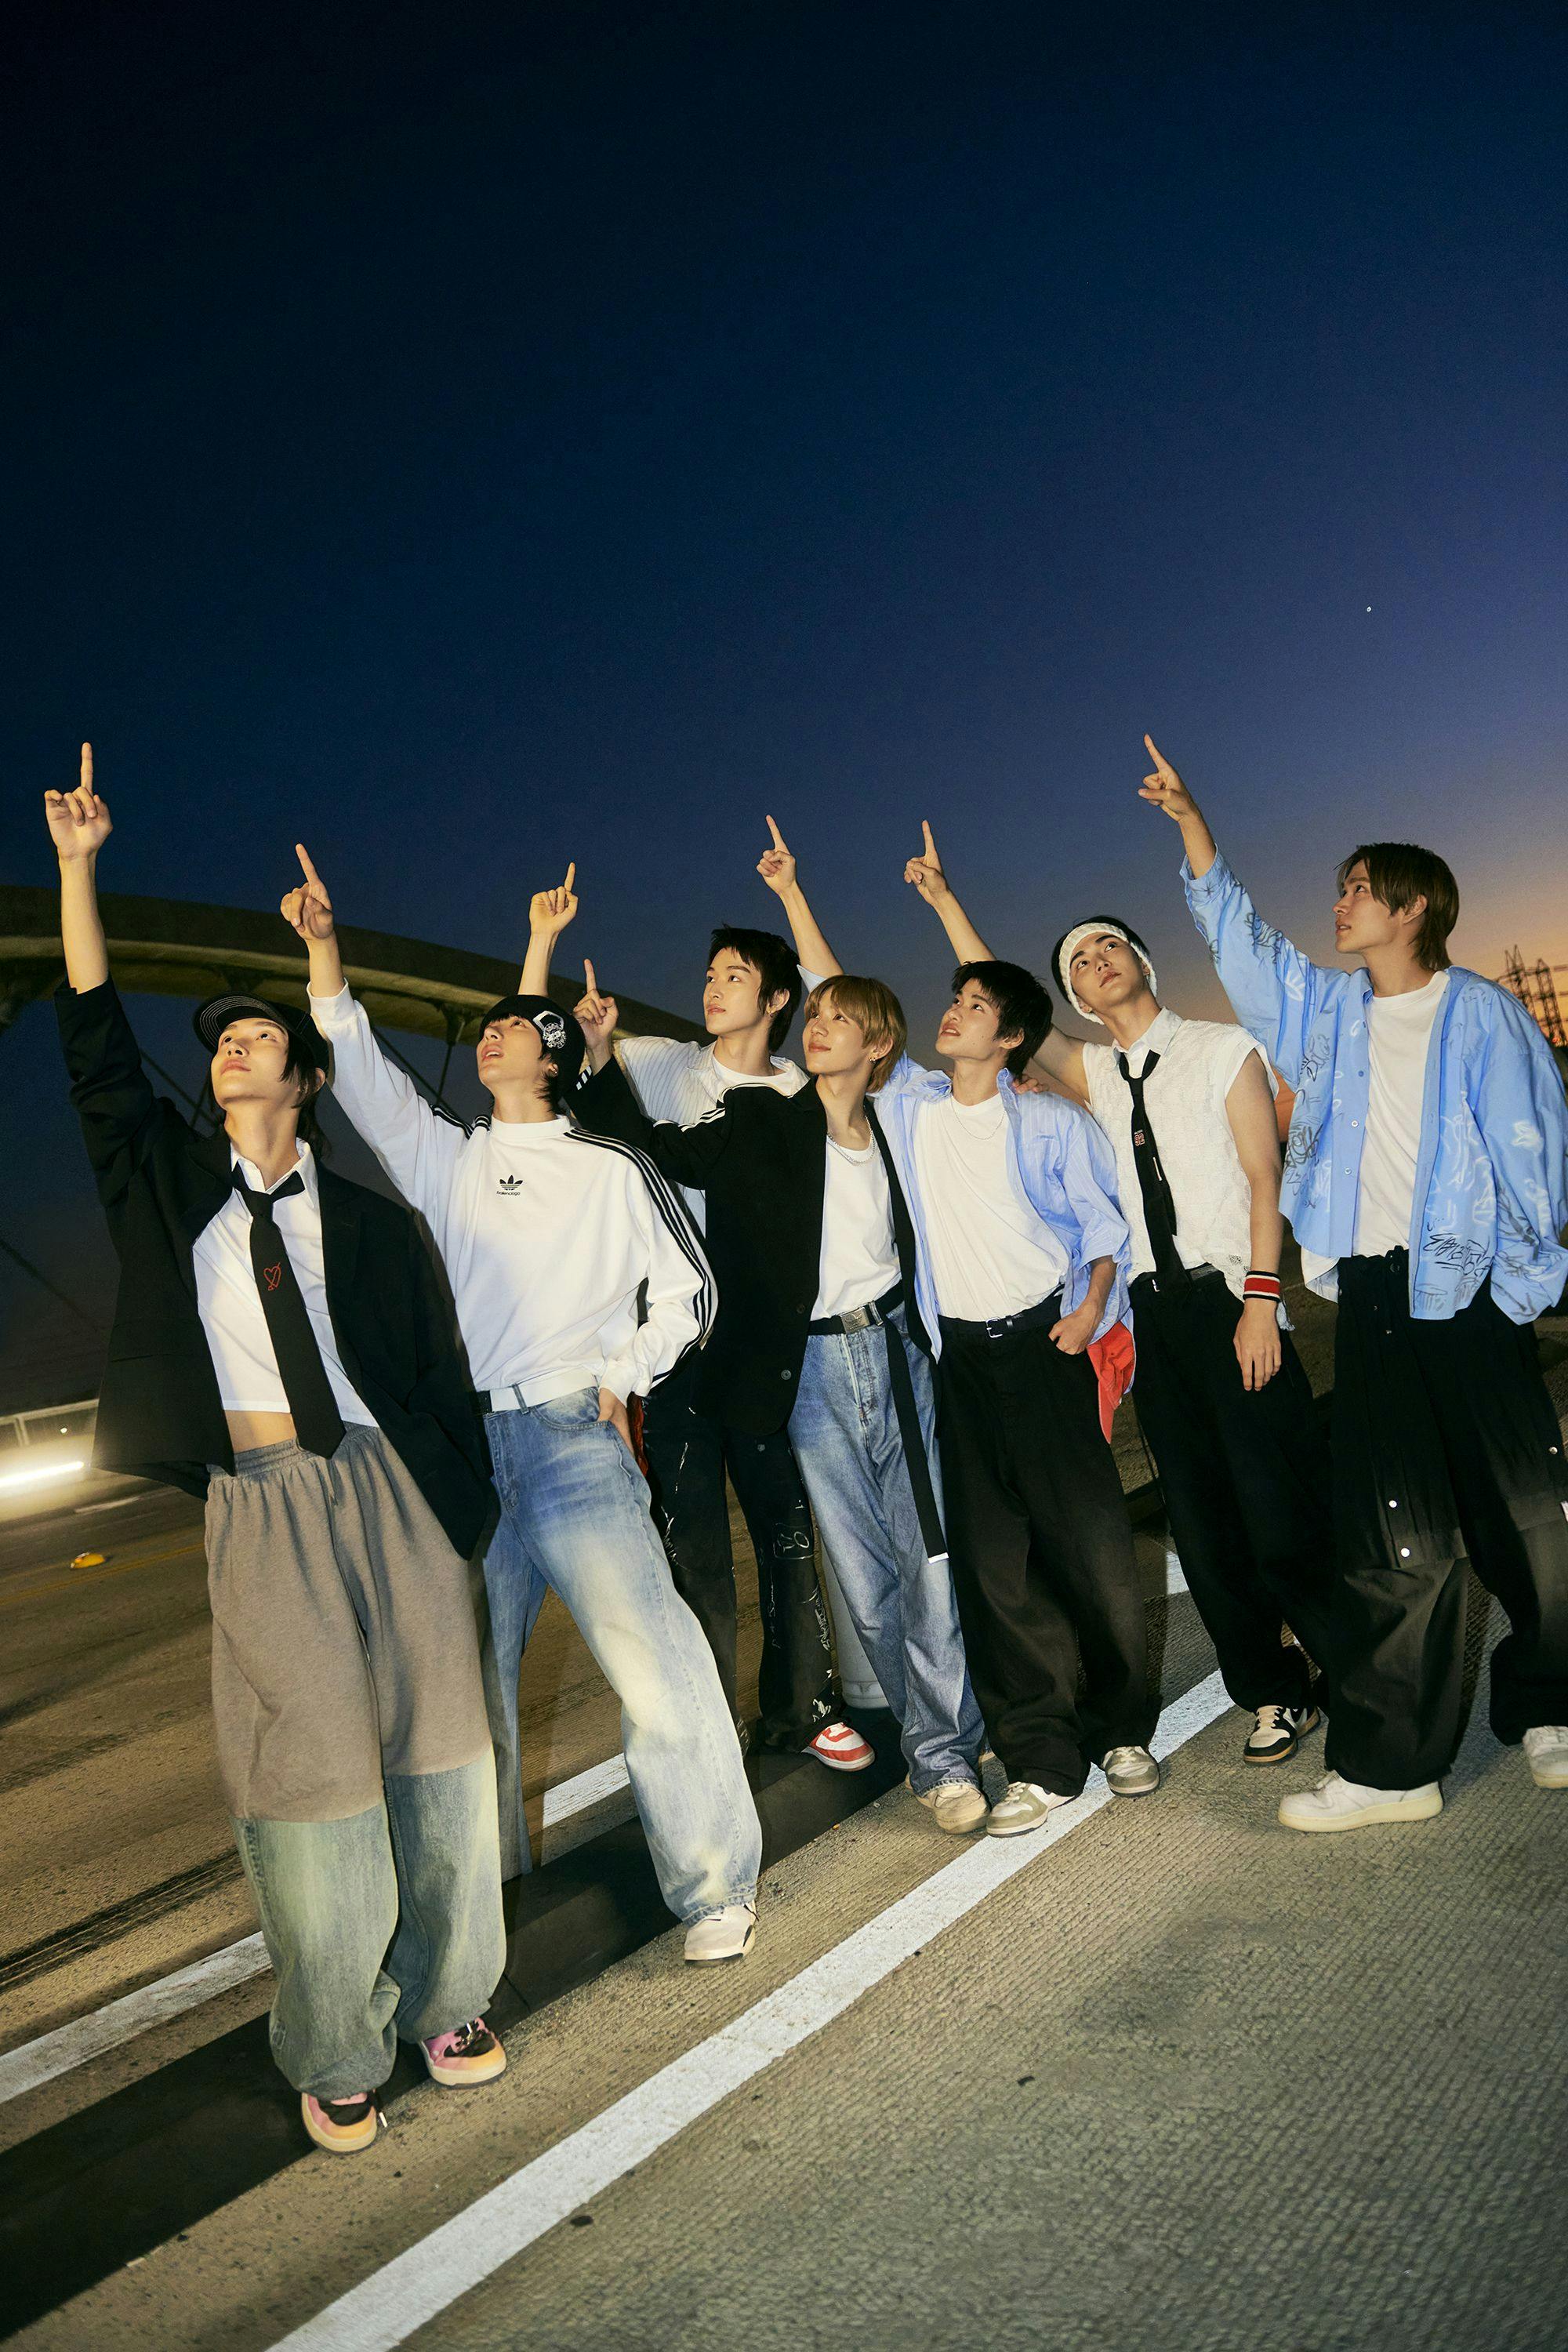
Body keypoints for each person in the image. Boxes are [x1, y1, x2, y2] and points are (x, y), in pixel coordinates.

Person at [48, 750, 507, 2155]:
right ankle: (334, 2040)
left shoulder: (370, 1222)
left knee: (442, 1748)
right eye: (221, 1042)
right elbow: (95, 1050)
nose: (233, 1048)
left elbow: (434, 1371)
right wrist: (79, 869)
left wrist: (453, 1509)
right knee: (311, 1769)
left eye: (259, 1038)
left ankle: (451, 1999)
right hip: (259, 1500)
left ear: (305, 1078)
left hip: (390, 1488)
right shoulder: (168, 1187)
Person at [293, 848, 763, 1963]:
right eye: (488, 1028)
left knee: (654, 1666)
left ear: (549, 1057)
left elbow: (691, 1293)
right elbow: (361, 1070)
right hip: (471, 1450)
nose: (488, 1037)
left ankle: (715, 1890)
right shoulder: (449, 1161)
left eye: (511, 1028)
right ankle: (484, 1915)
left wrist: (621, 1375)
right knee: (464, 1701)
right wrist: (324, 952)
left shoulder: (610, 1168)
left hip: (569, 1438)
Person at [1142, 733, 1568, 1828]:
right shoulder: (1328, 1014)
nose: (1339, 904)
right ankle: (1393, 1771)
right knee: (1388, 1535)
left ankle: (1552, 1702)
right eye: (1340, 890)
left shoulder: (1481, 1011)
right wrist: (1195, 832)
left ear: (1413, 907)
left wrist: (1518, 1291)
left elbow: (1532, 1150)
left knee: (1528, 1515)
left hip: (1470, 1293)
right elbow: (1248, 954)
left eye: (1359, 890)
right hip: (1378, 1298)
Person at [902, 823, 1337, 1767]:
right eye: (1076, 961)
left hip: (1231, 1298)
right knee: (1202, 1520)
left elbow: (1263, 1178)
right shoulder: (1091, 1072)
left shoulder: (1219, 1048)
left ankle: (1354, 1673)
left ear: (1141, 961)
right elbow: (1005, 1003)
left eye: (1106, 946)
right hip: (1155, 1316)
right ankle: (1270, 1692)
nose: (1092, 960)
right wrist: (943, 903)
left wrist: (1261, 1302)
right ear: (1073, 1000)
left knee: (1281, 1501)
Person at [768, 828, 1157, 1834]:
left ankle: (1119, 1726)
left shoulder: (1050, 1122)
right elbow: (838, 1000)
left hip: (1044, 1347)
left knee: (1091, 1553)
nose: (953, 1012)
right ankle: (1039, 1756)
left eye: (975, 1006)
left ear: (1010, 1036)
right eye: (955, 1000)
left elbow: (1103, 1234)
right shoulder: (912, 1106)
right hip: (955, 1363)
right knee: (993, 1571)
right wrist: (794, 895)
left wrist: (1086, 1313)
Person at [568, 932, 988, 1834]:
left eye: (838, 1018)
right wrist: (598, 1058)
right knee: (864, 1579)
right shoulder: (761, 1116)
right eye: (815, 1015)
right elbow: (654, 1152)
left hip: (896, 1356)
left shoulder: (899, 1123)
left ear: (878, 1044)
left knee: (929, 1563)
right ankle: (935, 1746)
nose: (817, 1027)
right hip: (811, 1371)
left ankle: (946, 1752)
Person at [517, 866, 869, 1771]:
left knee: (786, 1535)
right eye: (708, 975)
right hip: (674, 1345)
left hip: (764, 1344)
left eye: (733, 977)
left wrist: (794, 897)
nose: (711, 988)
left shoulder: (798, 1094)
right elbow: (538, 1071)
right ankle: (711, 1736)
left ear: (777, 998)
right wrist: (556, 968)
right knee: (691, 1552)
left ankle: (805, 1707)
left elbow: (855, 1019)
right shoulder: (656, 1061)